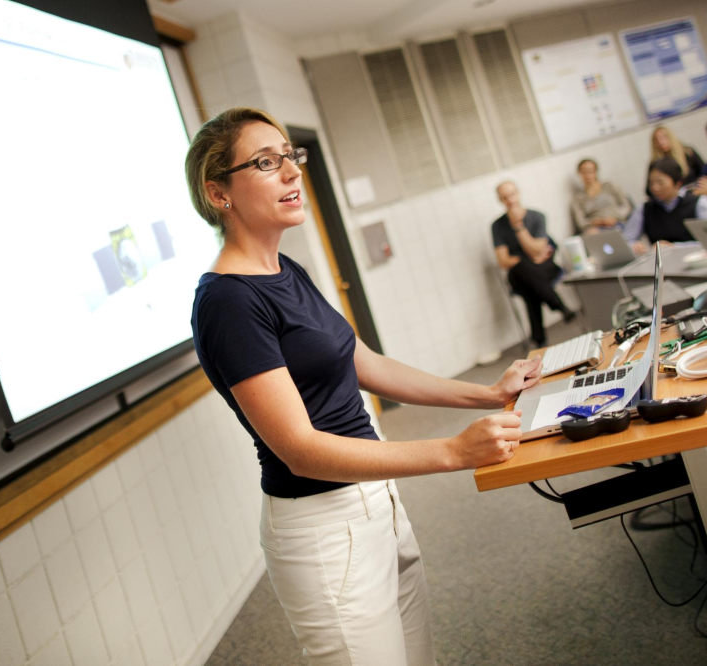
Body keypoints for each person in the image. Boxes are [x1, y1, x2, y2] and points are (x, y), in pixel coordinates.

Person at [186, 107, 541, 665]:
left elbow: (365, 363)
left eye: (290, 157)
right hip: (323, 531)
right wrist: (452, 451)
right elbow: (300, 451)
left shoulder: (288, 272)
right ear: (218, 193)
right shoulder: (228, 302)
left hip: (377, 501)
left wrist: (487, 393)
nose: (291, 172)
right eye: (265, 162)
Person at [492, 181, 575, 348]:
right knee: (523, 268)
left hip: (544, 269)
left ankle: (539, 339)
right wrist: (527, 260)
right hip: (519, 274)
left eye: (512, 194)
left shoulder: (537, 216)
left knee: (529, 285)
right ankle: (558, 305)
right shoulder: (497, 226)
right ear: (500, 200)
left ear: (518, 193)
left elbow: (536, 251)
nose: (510, 200)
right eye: (505, 197)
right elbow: (503, 261)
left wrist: (518, 226)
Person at [624, 157, 707, 247]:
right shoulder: (644, 209)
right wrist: (635, 247)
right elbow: (627, 240)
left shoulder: (699, 203)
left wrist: (674, 247)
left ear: (678, 183)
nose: (655, 188)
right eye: (651, 183)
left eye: (660, 183)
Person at [571, 158, 632, 234]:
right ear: (579, 174)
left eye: (590, 171)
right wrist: (594, 222)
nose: (587, 175)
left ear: (595, 172)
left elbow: (626, 206)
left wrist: (615, 217)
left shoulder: (609, 186)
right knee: (591, 233)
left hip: (616, 222)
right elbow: (581, 222)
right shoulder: (578, 198)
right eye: (584, 172)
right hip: (596, 229)